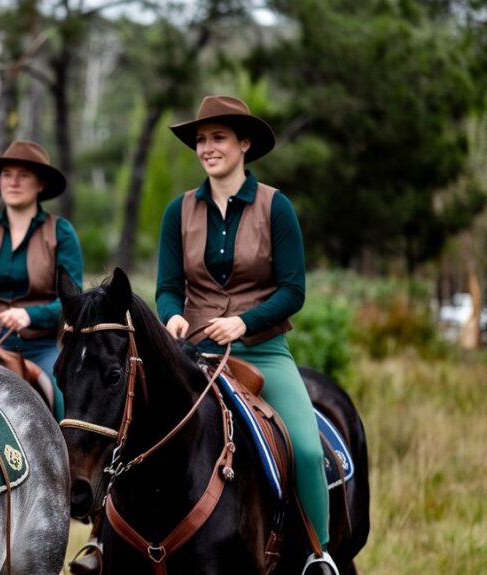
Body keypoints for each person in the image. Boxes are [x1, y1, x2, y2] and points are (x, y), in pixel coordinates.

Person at [155, 95, 337, 574]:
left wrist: (245, 322)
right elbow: (169, 287)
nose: (207, 148)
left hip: (263, 353)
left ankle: (319, 557)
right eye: (200, 140)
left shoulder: (277, 207)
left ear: (244, 143)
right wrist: (172, 315)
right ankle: (105, 540)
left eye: (218, 138)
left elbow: (294, 290)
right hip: (194, 352)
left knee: (305, 447)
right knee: (136, 434)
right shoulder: (178, 211)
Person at [0, 140, 83, 421]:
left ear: (41, 184)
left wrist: (29, 315)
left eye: (24, 175)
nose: (13, 182)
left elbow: (74, 301)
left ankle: (68, 458)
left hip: (41, 346)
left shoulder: (61, 232)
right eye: (7, 174)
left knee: (63, 396)